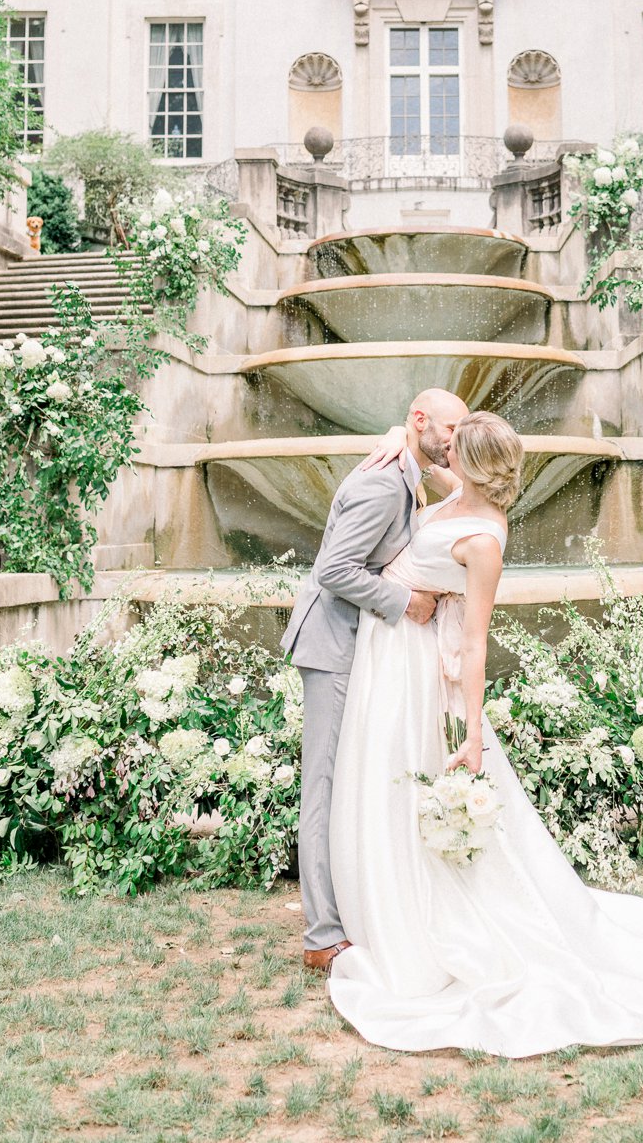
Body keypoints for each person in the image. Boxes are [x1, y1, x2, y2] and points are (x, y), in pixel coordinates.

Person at [324, 408, 643, 1057]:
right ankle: (382, 905)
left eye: (455, 443)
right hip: (393, 651)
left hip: (424, 669)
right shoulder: (456, 494)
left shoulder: (483, 540)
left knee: (415, 779)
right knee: (383, 777)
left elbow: (476, 642)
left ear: (472, 464)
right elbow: (420, 467)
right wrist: (397, 435)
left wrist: (472, 732)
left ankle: (426, 927)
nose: (444, 445)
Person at [280, 386, 468, 971]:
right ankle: (322, 936)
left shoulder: (405, 471)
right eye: (449, 430)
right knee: (325, 785)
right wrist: (405, 600)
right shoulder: (383, 481)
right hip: (333, 645)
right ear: (420, 419)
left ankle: (350, 913)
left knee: (347, 782)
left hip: (359, 648)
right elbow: (333, 569)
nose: (454, 442)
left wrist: (400, 438)